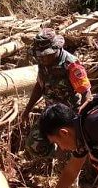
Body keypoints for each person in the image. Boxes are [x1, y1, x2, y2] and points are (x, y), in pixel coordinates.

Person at [21, 28, 92, 156]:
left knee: (75, 148)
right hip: (51, 114)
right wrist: (27, 110)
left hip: (69, 116)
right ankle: (57, 156)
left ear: (56, 49)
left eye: (46, 54)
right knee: (33, 144)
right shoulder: (43, 63)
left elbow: (86, 93)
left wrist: (80, 120)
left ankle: (69, 158)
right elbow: (39, 85)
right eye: (40, 55)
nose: (42, 58)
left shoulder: (70, 64)